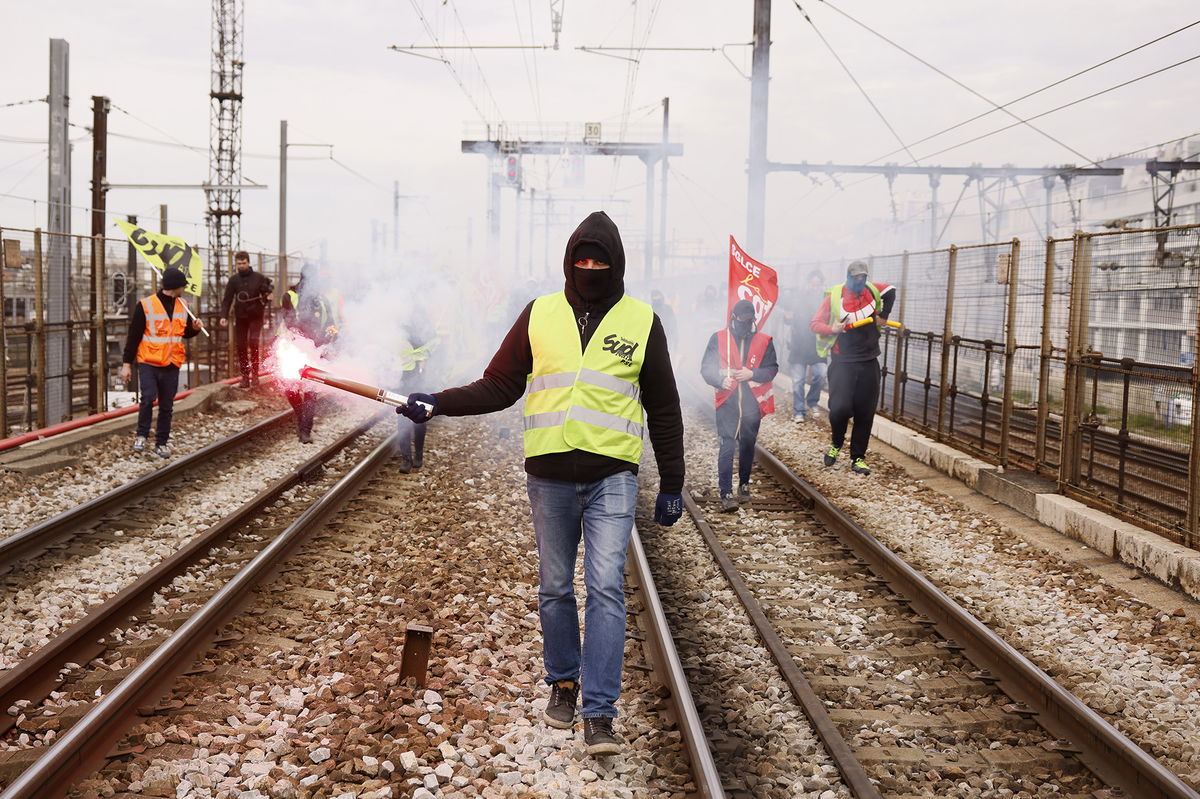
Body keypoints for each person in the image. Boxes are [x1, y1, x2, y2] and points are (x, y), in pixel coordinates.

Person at [397, 211, 685, 757]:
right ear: (569, 260)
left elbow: (665, 408)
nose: (590, 268)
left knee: (604, 589)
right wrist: (437, 402)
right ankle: (564, 683)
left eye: (600, 260)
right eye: (583, 258)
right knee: (555, 587)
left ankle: (600, 712)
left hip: (613, 477)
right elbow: (498, 385)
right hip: (549, 478)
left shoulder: (642, 321)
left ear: (616, 263)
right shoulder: (539, 313)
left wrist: (672, 479)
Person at [810, 260, 896, 476]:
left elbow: (891, 291)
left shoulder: (872, 290)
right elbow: (815, 324)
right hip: (842, 362)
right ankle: (836, 442)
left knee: (865, 412)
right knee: (839, 409)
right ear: (848, 277)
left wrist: (883, 317)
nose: (860, 281)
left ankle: (858, 457)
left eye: (863, 277)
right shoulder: (835, 296)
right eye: (856, 277)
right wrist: (833, 328)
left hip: (869, 361)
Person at [700, 299, 779, 511]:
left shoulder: (764, 341)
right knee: (727, 444)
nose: (746, 325)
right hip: (728, 400)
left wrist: (753, 373)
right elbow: (706, 369)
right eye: (742, 321)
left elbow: (772, 369)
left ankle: (744, 484)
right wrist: (719, 380)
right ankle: (726, 492)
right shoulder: (718, 339)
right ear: (733, 318)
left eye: (749, 321)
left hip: (753, 401)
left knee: (747, 443)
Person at [120, 267, 203, 458]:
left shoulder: (183, 305)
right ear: (176, 286)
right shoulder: (146, 305)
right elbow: (133, 337)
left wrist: (195, 328)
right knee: (148, 398)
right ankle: (141, 436)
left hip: (172, 363)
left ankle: (161, 442)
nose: (185, 289)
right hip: (149, 361)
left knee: (167, 405)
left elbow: (184, 333)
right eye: (183, 285)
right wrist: (126, 364)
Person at [279, 265, 339, 444]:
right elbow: (288, 321)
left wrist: (331, 332)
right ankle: (301, 417)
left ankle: (305, 430)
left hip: (317, 350)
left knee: (311, 391)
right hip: (295, 348)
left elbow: (330, 322)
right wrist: (303, 339)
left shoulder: (322, 300)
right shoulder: (290, 296)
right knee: (291, 388)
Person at [219, 250, 274, 388]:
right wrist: (223, 316)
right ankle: (245, 377)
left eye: (244, 263)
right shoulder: (233, 280)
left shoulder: (259, 278)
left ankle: (255, 375)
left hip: (256, 315)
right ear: (236, 264)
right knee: (241, 346)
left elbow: (267, 293)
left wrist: (268, 296)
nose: (241, 266)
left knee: (254, 342)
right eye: (239, 264)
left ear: (248, 262)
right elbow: (227, 299)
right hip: (241, 316)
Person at [783, 269, 829, 422]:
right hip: (798, 345)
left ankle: (812, 401)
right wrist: (788, 316)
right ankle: (799, 411)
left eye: (818, 285)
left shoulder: (825, 299)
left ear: (821, 285)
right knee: (798, 381)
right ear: (808, 284)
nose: (815, 288)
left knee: (821, 374)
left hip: (817, 346)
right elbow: (788, 317)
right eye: (813, 284)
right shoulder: (798, 297)